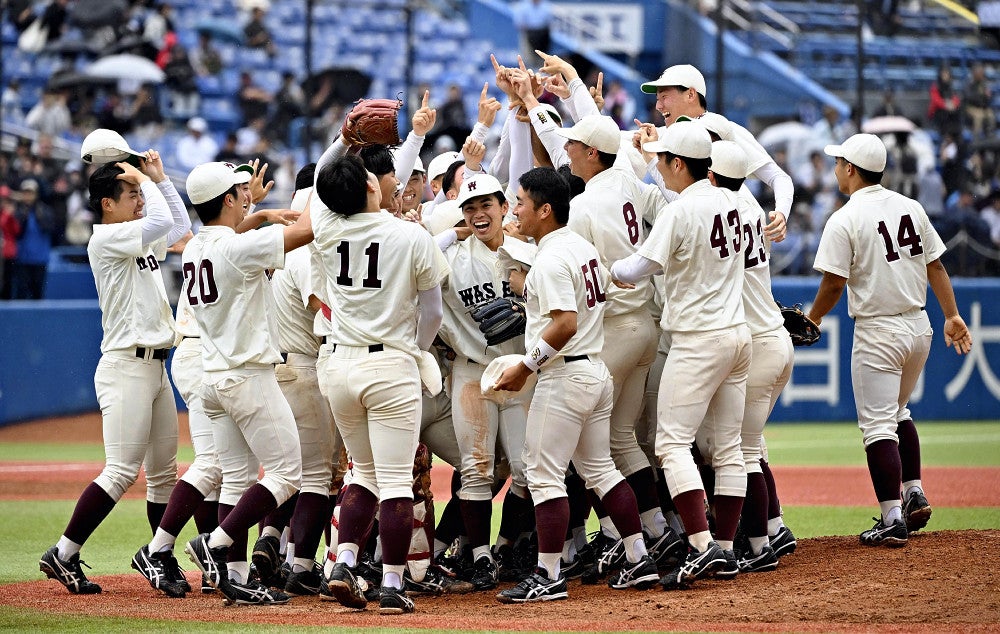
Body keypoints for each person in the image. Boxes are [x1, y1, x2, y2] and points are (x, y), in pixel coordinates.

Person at [493, 167, 657, 604]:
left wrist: (526, 367)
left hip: (565, 375)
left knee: (544, 476)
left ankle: (548, 575)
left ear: (545, 210)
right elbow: (610, 283)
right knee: (601, 469)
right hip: (594, 371)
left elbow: (564, 324)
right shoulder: (581, 247)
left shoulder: (549, 258)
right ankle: (639, 558)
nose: (515, 210)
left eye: (521, 203)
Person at [39, 146, 191, 595]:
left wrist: (158, 179)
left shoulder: (134, 233)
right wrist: (145, 180)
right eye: (129, 194)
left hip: (155, 366)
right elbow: (164, 224)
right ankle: (64, 552)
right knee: (122, 470)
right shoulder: (106, 238)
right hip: (126, 366)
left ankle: (159, 556)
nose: (138, 200)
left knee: (165, 474)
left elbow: (178, 227)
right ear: (107, 203)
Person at [808, 134, 972, 546]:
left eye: (839, 161)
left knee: (877, 426)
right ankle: (913, 490)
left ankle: (892, 516)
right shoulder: (910, 206)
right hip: (919, 326)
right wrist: (951, 313)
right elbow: (935, 265)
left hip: (879, 330)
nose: (835, 168)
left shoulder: (845, 217)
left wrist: (812, 318)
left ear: (850, 169)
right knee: (899, 412)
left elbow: (832, 284)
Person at [611, 121, 751, 590]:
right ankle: (727, 550)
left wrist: (605, 267)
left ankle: (699, 544)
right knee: (729, 447)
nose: (660, 169)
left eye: (663, 161)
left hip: (697, 339)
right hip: (738, 333)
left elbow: (637, 267)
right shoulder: (736, 201)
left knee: (671, 445)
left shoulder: (681, 209)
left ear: (677, 163)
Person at [311, 152, 448, 615]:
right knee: (394, 482)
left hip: (338, 364)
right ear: (371, 187)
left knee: (362, 474)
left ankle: (343, 561)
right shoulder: (411, 234)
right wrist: (417, 349)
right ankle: (392, 583)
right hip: (390, 363)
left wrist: (342, 140)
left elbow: (321, 185)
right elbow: (432, 313)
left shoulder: (327, 230)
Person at [554, 114, 682, 573]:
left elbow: (579, 274)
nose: (567, 151)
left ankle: (614, 537)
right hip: (645, 327)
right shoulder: (629, 183)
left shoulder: (585, 205)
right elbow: (670, 209)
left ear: (593, 153)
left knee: (586, 446)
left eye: (574, 145)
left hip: (614, 333)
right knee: (622, 438)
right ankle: (656, 529)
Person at [181, 160, 313, 605]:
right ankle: (216, 543)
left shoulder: (194, 248)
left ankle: (236, 576)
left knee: (236, 479)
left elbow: (235, 237)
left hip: (213, 376)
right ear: (226, 200)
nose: (246, 196)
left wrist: (253, 210)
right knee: (286, 473)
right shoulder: (235, 248)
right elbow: (304, 232)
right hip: (246, 374)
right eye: (239, 192)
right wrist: (336, 163)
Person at [435, 173, 534, 590]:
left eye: (486, 205)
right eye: (470, 208)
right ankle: (479, 559)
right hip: (473, 371)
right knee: (476, 469)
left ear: (504, 207)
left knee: (529, 472)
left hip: (523, 371)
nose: (478, 214)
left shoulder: (527, 254)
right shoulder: (452, 258)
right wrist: (448, 234)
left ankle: (511, 548)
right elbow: (414, 254)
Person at [704, 140, 793, 573]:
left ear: (711, 174)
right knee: (748, 448)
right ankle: (771, 528)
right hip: (771, 337)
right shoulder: (752, 208)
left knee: (740, 453)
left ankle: (759, 545)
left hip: (755, 344)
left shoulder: (716, 209)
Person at [638, 64, 792, 243]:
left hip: (733, 240)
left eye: (664, 97)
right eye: (657, 99)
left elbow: (778, 177)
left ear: (690, 94)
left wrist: (781, 212)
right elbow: (610, 142)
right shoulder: (662, 134)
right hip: (706, 242)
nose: (658, 105)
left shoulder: (720, 129)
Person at [11, 179, 55, 300]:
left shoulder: (45, 211)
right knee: (21, 294)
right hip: (22, 258)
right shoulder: (17, 211)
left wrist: (37, 214)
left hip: (40, 259)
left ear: (36, 194)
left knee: (38, 294)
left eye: (30, 193)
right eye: (25, 193)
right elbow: (16, 232)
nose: (28, 196)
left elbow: (50, 228)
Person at [512, 0, 552, 69]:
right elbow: (519, 23)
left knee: (542, 59)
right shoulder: (523, 6)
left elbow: (549, 22)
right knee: (528, 59)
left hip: (543, 35)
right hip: (528, 33)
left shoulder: (546, 5)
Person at [927, 65, 962, 138]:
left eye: (947, 74)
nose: (945, 76)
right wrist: (946, 105)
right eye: (944, 74)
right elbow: (935, 100)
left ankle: (956, 136)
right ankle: (946, 137)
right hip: (937, 113)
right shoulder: (935, 86)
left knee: (957, 112)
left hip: (950, 112)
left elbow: (956, 99)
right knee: (944, 114)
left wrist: (953, 104)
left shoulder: (951, 87)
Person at [963, 63, 995, 139]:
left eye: (982, 73)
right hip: (970, 107)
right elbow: (968, 97)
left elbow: (988, 99)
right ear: (975, 73)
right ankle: (976, 137)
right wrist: (981, 95)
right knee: (979, 116)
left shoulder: (984, 83)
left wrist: (988, 96)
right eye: (980, 73)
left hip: (982, 107)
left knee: (990, 114)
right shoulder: (969, 83)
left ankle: (990, 135)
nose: (981, 75)